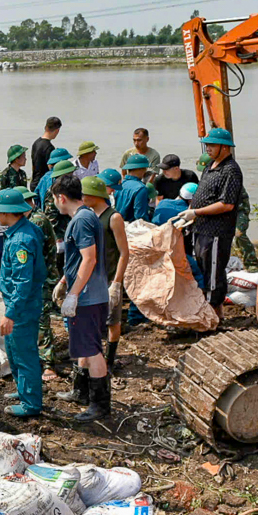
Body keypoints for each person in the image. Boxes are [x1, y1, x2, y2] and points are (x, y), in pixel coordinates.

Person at [51, 175, 112, 422]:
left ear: (61, 198)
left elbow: (89, 258)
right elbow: (78, 260)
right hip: (90, 293)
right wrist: (64, 281)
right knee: (85, 348)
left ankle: (100, 406)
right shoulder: (87, 216)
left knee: (93, 350)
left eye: (55, 199)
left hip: (88, 296)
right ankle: (81, 391)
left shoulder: (80, 221)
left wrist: (73, 295)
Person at [0, 189, 46, 417]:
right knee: (13, 349)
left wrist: (10, 313)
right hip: (17, 302)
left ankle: (31, 404)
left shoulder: (21, 240)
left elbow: (23, 281)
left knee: (24, 352)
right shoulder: (20, 230)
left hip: (22, 305)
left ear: (6, 213)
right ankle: (24, 390)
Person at [177, 128, 245, 321]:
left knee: (213, 272)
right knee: (203, 268)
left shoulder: (230, 170)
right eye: (207, 144)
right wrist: (192, 213)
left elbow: (227, 204)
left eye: (212, 145)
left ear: (225, 148)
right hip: (201, 228)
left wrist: (196, 212)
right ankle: (214, 313)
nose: (208, 148)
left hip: (216, 231)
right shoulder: (211, 166)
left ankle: (213, 314)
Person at [80, 176, 129, 373]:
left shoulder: (113, 218)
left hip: (109, 277)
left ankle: (110, 359)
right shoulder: (87, 215)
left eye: (84, 194)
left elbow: (124, 252)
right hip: (92, 278)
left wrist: (116, 283)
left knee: (112, 321)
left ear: (94, 195)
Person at [24, 187, 60, 381]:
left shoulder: (36, 222)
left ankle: (49, 364)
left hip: (43, 278)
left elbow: (32, 255)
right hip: (41, 276)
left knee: (41, 319)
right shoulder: (31, 218)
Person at [114, 155, 153, 222]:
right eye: (145, 169)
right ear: (140, 169)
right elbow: (140, 216)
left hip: (119, 223)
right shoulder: (141, 189)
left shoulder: (120, 185)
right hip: (132, 226)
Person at [29, 117, 62, 190]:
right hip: (43, 185)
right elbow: (51, 168)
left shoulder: (36, 143)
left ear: (45, 127)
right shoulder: (49, 148)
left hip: (34, 182)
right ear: (57, 130)